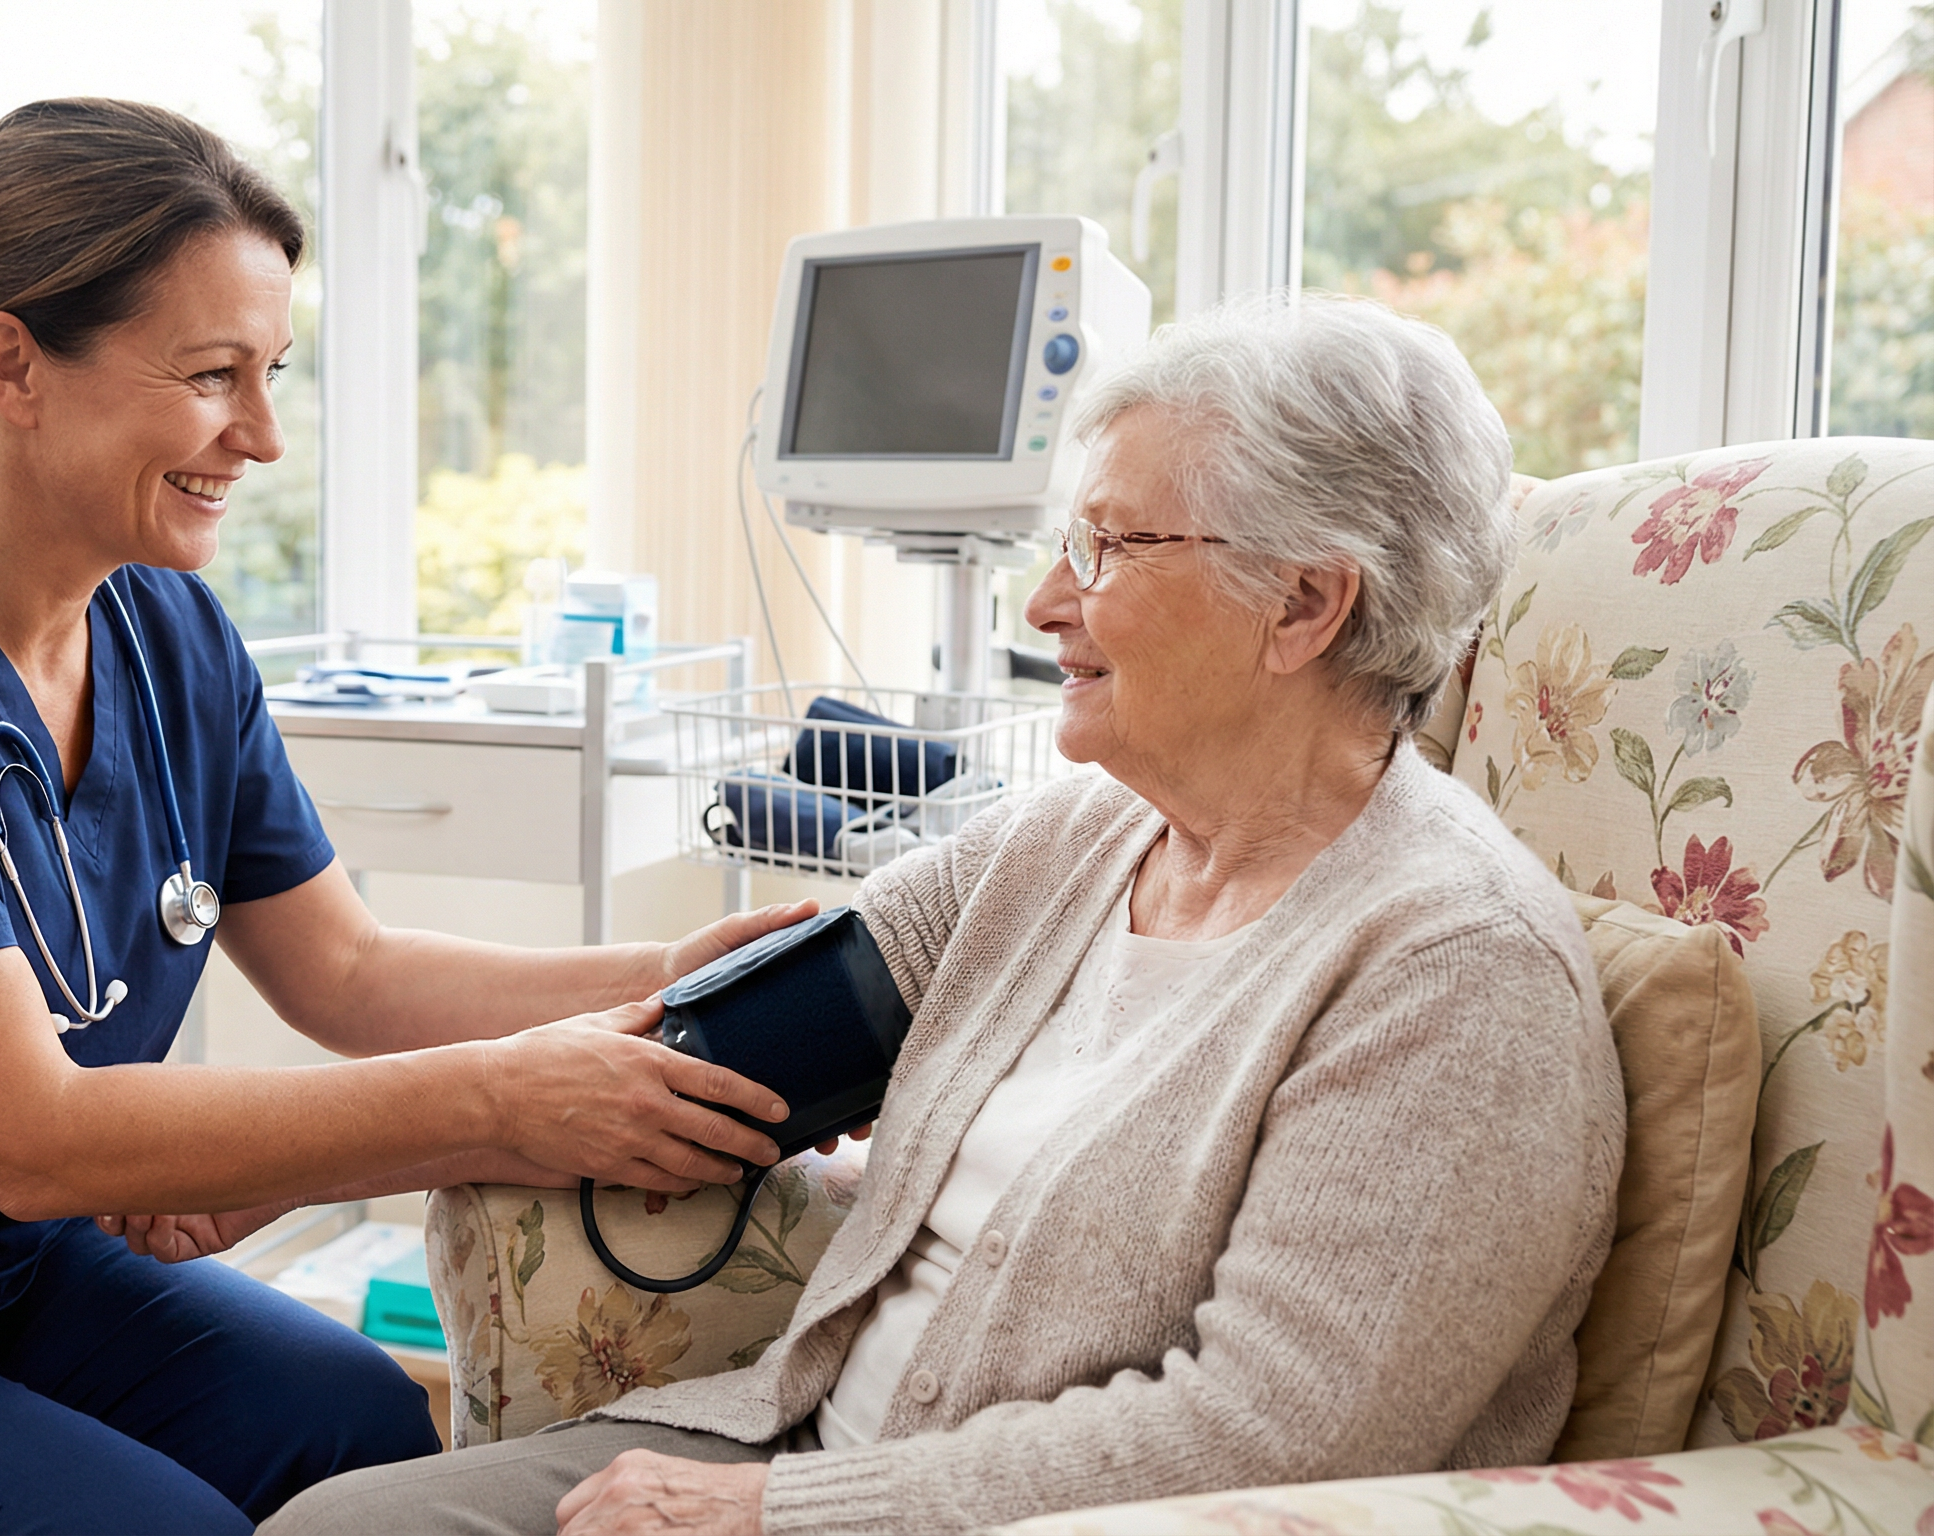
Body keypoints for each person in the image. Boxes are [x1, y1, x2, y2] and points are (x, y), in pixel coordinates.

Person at [0, 98, 811, 1536]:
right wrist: (503, 1104)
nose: (261, 436)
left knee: (363, 1436)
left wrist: (664, 979)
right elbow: (39, 1136)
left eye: (272, 374)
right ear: (13, 366)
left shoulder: (170, 630)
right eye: (210, 375)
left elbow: (349, 976)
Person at [261, 293, 1629, 1536]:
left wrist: (783, 1513)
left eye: (1107, 547)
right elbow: (725, 1048)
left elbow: (1269, 1432)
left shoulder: (1455, 974)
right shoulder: (1074, 837)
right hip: (791, 1440)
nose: (1047, 605)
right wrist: (263, 1172)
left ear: (1305, 604)